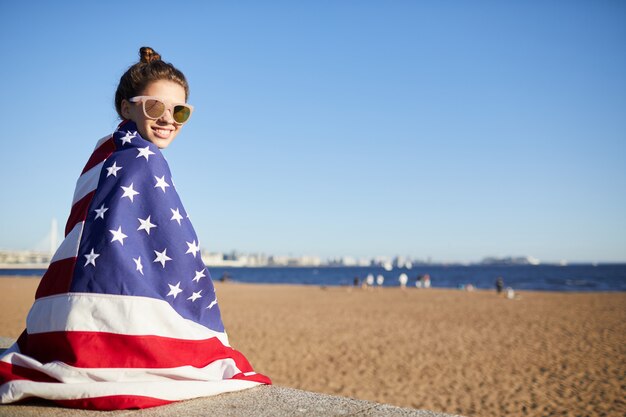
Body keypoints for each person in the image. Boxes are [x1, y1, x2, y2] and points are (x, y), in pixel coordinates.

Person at [0, 47, 270, 410]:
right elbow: (177, 254)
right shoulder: (144, 161)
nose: (168, 119)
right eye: (154, 107)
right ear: (126, 107)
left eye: (180, 111)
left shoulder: (105, 154)